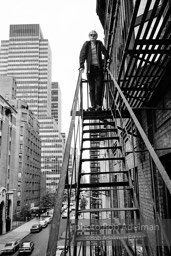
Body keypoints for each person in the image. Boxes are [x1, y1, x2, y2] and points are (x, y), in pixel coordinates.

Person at [79, 30, 109, 111]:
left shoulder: (99, 43)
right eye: (91, 35)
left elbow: (104, 51)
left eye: (94, 35)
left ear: (96, 36)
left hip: (98, 68)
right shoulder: (86, 44)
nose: (93, 36)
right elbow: (82, 55)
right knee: (92, 87)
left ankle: (99, 105)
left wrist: (108, 58)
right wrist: (81, 66)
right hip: (90, 69)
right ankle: (93, 105)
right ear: (89, 36)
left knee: (99, 86)